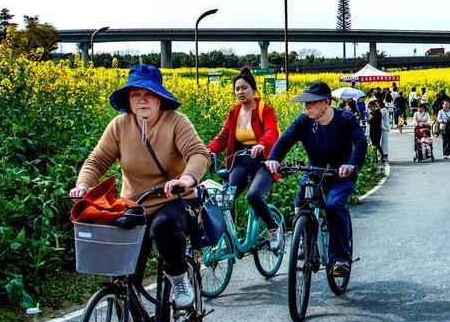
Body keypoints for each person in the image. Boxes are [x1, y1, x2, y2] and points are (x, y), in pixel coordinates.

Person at [72, 65, 212, 309]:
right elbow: (98, 160)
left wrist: (186, 179)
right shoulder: (120, 126)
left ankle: (178, 275)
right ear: (129, 99)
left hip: (174, 200)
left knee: (163, 226)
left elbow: (198, 153)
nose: (143, 99)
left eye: (149, 94)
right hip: (135, 204)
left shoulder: (176, 121)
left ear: (160, 98)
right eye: (136, 94)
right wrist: (83, 185)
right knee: (123, 274)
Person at [266, 81, 367, 279]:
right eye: (305, 103)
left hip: (340, 175)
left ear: (326, 103)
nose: (306, 107)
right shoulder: (303, 121)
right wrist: (273, 159)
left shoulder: (345, 119)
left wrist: (352, 164)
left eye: (311, 103)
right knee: (301, 201)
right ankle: (304, 241)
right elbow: (285, 140)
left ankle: (340, 258)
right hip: (315, 173)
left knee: (334, 204)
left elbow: (360, 142)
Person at [205, 68, 283, 249]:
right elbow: (224, 136)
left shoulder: (265, 109)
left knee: (254, 195)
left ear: (253, 89)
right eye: (237, 89)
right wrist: (208, 151)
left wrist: (262, 144)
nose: (240, 92)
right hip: (240, 160)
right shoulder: (234, 112)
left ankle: (273, 228)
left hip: (263, 161)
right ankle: (228, 238)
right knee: (226, 198)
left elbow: (272, 131)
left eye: (244, 88)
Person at [366, 98, 387, 164]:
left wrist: (370, 118)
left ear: (373, 106)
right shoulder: (373, 113)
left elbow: (375, 121)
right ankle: (375, 158)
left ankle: (382, 156)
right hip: (373, 130)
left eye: (370, 107)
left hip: (377, 130)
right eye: (369, 107)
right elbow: (370, 121)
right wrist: (368, 118)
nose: (370, 108)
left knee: (377, 144)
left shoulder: (378, 112)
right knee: (374, 144)